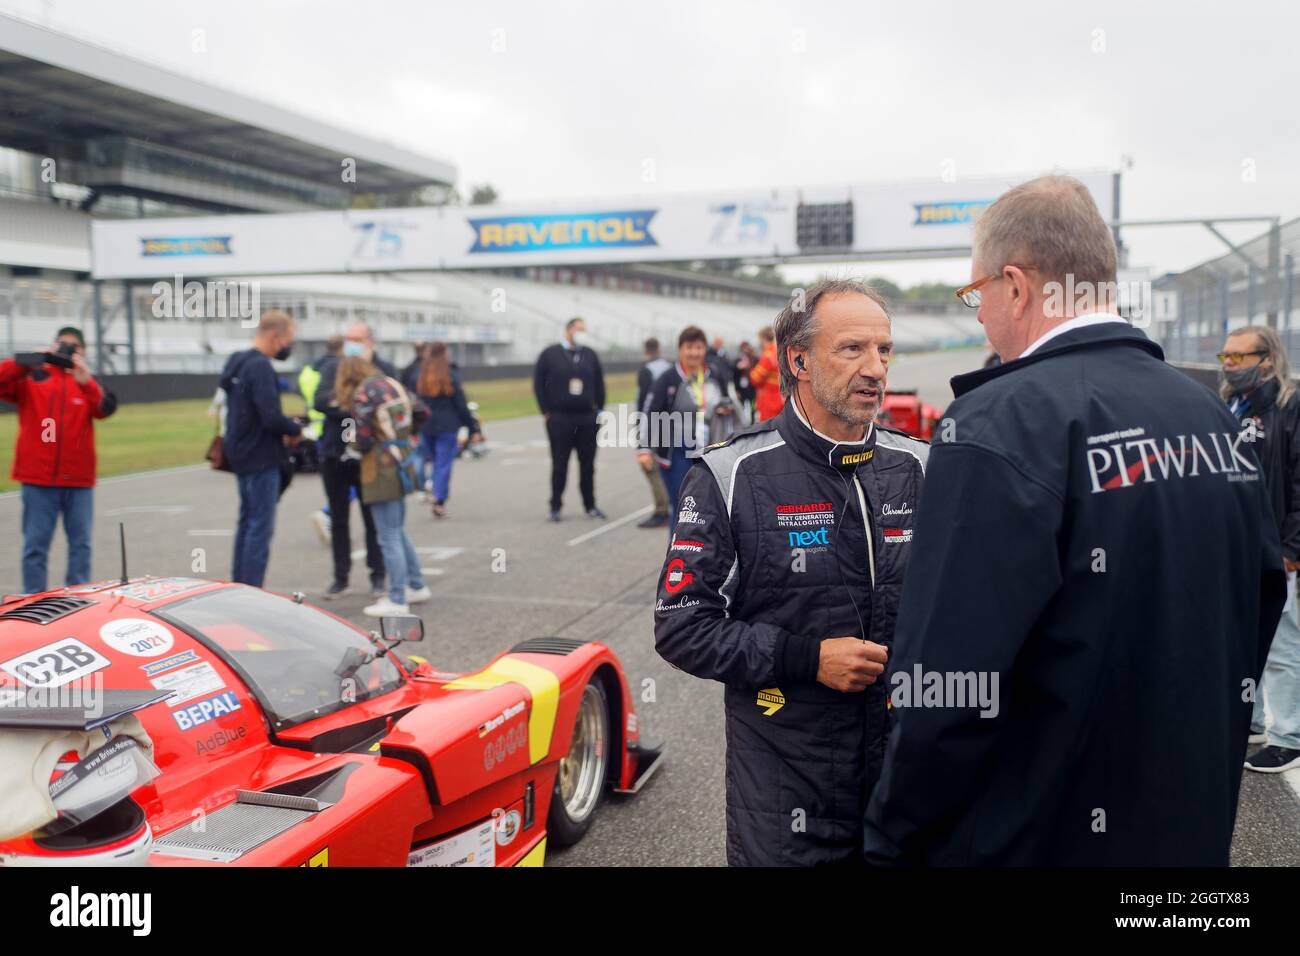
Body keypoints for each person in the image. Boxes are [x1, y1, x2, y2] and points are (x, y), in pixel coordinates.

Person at [862, 175, 1285, 866]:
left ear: (1018, 287)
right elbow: (1262, 597)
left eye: (977, 296)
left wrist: (892, 836)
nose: (978, 316)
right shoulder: (1207, 411)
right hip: (1189, 821)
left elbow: (947, 682)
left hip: (1041, 832)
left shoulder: (997, 422)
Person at [653, 279, 927, 866]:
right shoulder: (731, 474)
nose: (876, 368)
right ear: (798, 360)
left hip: (904, 787)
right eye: (853, 349)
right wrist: (808, 659)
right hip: (785, 797)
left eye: (884, 349)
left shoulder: (922, 466)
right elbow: (680, 628)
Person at [1220, 325, 1300, 774]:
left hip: (1278, 547)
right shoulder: (1231, 402)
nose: (1229, 365)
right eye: (1224, 357)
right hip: (1238, 544)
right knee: (1244, 637)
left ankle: (1289, 736)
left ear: (1267, 358)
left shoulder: (1291, 406)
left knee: (1282, 642)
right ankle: (1251, 720)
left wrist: (1291, 545)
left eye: (1238, 357)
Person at [0, 327, 116, 594]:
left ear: (83, 353)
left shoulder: (86, 382)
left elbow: (105, 409)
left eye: (73, 347)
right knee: (35, 547)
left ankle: (77, 600)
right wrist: (27, 360)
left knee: (81, 545)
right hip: (38, 478)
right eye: (62, 345)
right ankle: (33, 600)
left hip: (78, 480)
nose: (66, 350)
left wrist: (86, 380)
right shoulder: (33, 377)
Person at [335, 355, 431, 617]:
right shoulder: (392, 383)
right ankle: (416, 583)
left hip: (380, 466)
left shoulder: (363, 393)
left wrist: (352, 446)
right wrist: (404, 435)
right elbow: (422, 411)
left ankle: (398, 597)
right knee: (397, 530)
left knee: (387, 535)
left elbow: (363, 438)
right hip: (404, 460)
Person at [312, 321, 399, 599]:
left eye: (356, 339)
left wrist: (347, 404)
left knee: (372, 517)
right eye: (348, 338)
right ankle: (341, 577)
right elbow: (320, 401)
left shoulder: (383, 368)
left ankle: (378, 575)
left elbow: (391, 401)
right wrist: (357, 406)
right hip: (335, 453)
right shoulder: (332, 367)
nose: (350, 344)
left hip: (368, 455)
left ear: (369, 341)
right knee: (338, 518)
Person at [219, 310, 303, 588]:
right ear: (274, 336)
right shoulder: (260, 367)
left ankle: (239, 584)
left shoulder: (237, 361)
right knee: (259, 527)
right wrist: (295, 429)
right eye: (289, 339)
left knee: (246, 523)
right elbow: (270, 416)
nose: (289, 346)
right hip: (261, 455)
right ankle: (251, 589)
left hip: (240, 452)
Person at [640, 326, 735, 533]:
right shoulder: (668, 378)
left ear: (705, 349)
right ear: (680, 349)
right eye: (689, 347)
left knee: (712, 506)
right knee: (683, 506)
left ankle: (704, 557)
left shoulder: (715, 374)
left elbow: (727, 401)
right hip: (677, 452)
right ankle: (677, 559)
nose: (694, 352)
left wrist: (726, 409)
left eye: (699, 347)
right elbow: (651, 412)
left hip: (711, 451)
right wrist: (645, 448)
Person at [533, 316, 606, 521]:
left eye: (584, 330)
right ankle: (555, 505)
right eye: (579, 329)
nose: (582, 333)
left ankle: (590, 505)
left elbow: (600, 384)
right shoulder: (550, 354)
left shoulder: (590, 354)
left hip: (586, 418)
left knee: (588, 465)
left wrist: (599, 410)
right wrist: (546, 410)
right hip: (560, 418)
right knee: (559, 464)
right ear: (569, 330)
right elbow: (538, 383)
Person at [415, 341, 482, 518]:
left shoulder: (422, 375)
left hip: (426, 425)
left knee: (434, 461)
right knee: (443, 463)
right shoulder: (450, 375)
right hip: (446, 425)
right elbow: (461, 404)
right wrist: (473, 427)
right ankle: (439, 499)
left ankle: (432, 484)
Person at [299, 335, 343, 544]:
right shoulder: (337, 368)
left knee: (331, 476)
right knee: (346, 479)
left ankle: (331, 514)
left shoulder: (307, 371)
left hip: (315, 425)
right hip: (332, 425)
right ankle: (328, 513)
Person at [635, 337, 672, 529]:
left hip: (653, 421)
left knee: (649, 465)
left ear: (646, 351)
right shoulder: (668, 367)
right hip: (672, 421)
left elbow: (644, 402)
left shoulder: (646, 370)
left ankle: (662, 509)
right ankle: (669, 504)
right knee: (665, 465)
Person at [748, 325, 784, 421]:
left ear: (763, 338)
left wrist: (750, 368)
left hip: (768, 400)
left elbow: (755, 379)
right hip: (779, 397)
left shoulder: (768, 356)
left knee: (767, 429)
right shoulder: (778, 352)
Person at [733, 340, 757, 421]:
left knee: (752, 406)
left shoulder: (754, 359)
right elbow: (735, 375)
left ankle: (752, 421)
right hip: (741, 388)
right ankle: (742, 422)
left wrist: (749, 367)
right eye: (743, 348)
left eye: (746, 347)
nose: (745, 349)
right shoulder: (737, 359)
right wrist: (736, 390)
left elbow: (758, 371)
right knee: (741, 406)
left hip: (752, 388)